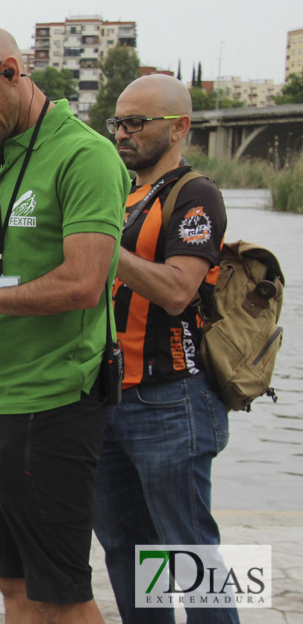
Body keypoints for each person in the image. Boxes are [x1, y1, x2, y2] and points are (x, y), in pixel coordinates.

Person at [0, 23, 128, 624]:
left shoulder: (86, 155)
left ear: (12, 73)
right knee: (13, 587)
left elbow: (84, 281)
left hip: (57, 401)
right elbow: (18, 272)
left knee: (61, 597)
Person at [94, 74, 237, 623]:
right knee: (128, 556)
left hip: (171, 398)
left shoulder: (195, 193)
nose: (122, 133)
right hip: (108, 394)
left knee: (190, 555)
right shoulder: (120, 191)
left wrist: (98, 242)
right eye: (117, 122)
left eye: (136, 122)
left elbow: (179, 291)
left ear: (179, 127)